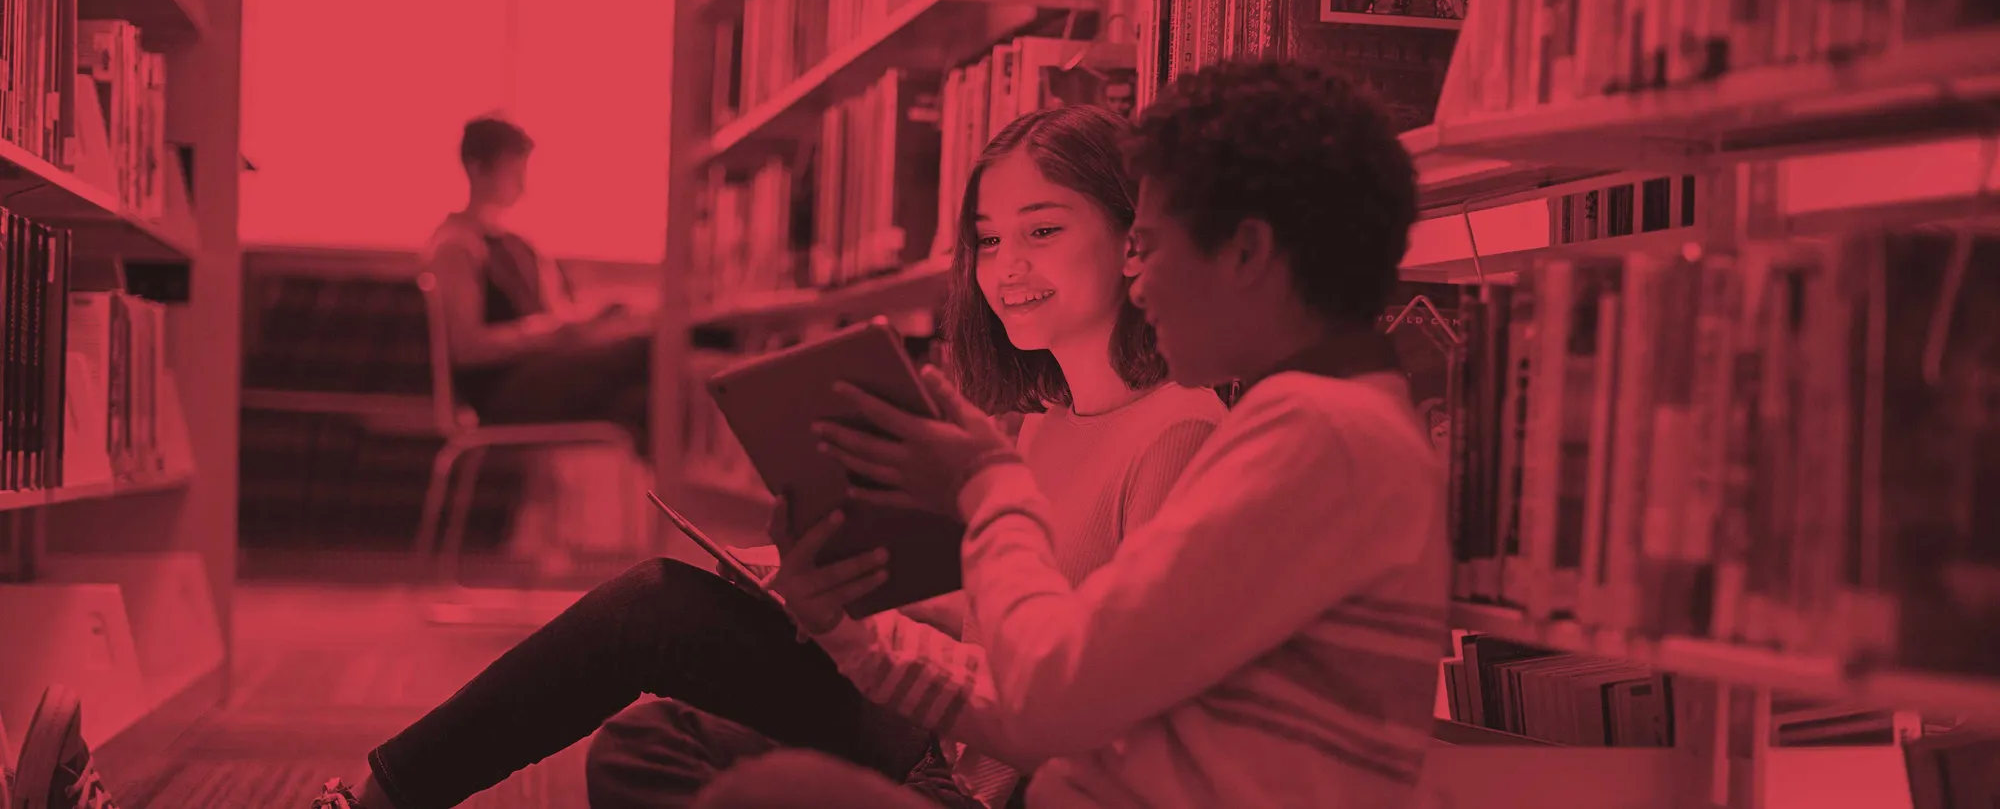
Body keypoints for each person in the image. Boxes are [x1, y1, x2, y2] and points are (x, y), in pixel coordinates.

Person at [306, 103, 1225, 809]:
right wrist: (837, 590)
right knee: (643, 742)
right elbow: (1007, 617)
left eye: (1044, 229)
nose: (1007, 265)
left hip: (998, 783)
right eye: (988, 239)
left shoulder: (1177, 436)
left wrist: (870, 635)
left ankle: (374, 800)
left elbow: (1100, 708)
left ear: (1130, 231)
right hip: (948, 741)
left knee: (654, 619)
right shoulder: (1048, 420)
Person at [690, 59, 1452, 809]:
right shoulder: (1313, 424)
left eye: (1150, 246)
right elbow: (1048, 688)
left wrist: (990, 489)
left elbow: (1050, 697)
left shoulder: (1320, 439)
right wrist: (846, 630)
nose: (1140, 281)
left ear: (1246, 252)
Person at [423, 115, 654, 455]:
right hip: (502, 391)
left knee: (646, 404)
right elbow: (467, 348)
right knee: (648, 349)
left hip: (541, 370)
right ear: (477, 168)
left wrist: (592, 324)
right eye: (514, 172)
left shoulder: (523, 247)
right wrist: (548, 331)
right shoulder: (455, 246)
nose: (522, 184)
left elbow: (558, 320)